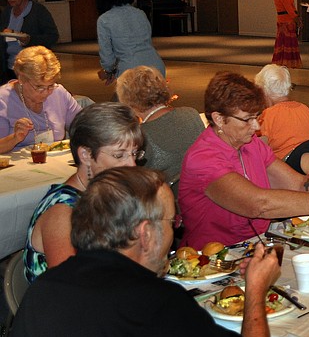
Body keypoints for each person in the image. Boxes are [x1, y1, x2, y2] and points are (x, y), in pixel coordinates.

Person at [1, 167, 279, 337]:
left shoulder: (45, 287)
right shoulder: (157, 303)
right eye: (173, 222)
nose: (176, 233)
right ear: (145, 234)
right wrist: (256, 290)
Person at [178, 72, 309, 249]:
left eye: (257, 117)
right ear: (219, 119)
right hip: (210, 260)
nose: (256, 126)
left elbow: (299, 184)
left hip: (255, 246)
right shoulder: (204, 159)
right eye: (247, 119)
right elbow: (259, 204)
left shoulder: (251, 144)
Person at [22, 102, 144, 282]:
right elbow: (71, 289)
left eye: (134, 153)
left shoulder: (108, 194)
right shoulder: (62, 213)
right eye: (119, 155)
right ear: (86, 155)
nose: (132, 165)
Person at [116, 65, 205, 183]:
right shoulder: (191, 113)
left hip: (170, 197)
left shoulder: (140, 136)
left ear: (128, 100)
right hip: (206, 188)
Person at [0, 46, 81, 153]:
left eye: (50, 85)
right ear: (21, 79)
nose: (46, 92)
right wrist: (15, 138)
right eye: (39, 87)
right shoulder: (3, 100)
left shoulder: (59, 93)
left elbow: (83, 127)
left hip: (55, 162)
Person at [95, 0, 165, 84]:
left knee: (123, 101)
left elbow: (107, 56)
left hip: (131, 70)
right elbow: (148, 41)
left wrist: (108, 71)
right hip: (156, 65)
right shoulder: (140, 13)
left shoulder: (104, 20)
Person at [254, 63, 309, 159]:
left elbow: (257, 151)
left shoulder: (269, 115)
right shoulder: (304, 108)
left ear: (262, 90)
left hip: (287, 166)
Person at [1, 0, 58, 82]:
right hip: (9, 68)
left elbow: (53, 36)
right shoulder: (6, 12)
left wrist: (29, 40)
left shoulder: (38, 11)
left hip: (32, 70)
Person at [271, 0, 302, 68]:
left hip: (288, 21)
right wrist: (297, 19)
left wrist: (296, 16)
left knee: (286, 50)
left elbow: (291, 6)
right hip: (285, 22)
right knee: (284, 51)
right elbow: (288, 8)